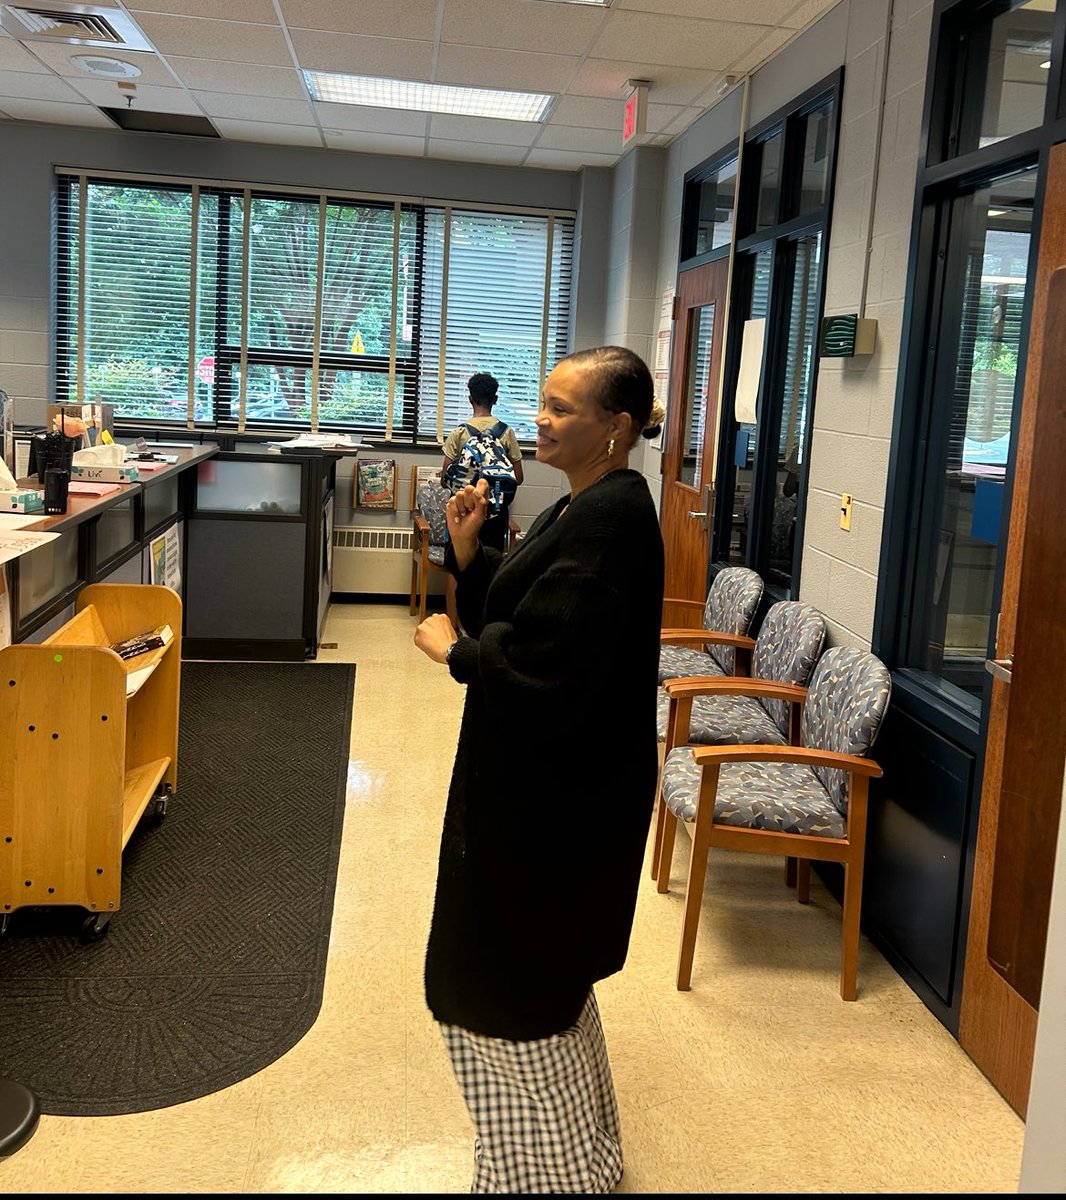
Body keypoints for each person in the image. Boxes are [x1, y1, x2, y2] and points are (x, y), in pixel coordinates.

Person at [414, 346, 666, 1194]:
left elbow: (549, 675)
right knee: (539, 979)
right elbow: (528, 604)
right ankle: (574, 1163)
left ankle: (546, 1179)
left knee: (508, 986)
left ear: (618, 427)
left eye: (563, 408)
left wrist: (456, 653)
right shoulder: (584, 506)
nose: (543, 419)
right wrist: (471, 548)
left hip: (555, 804)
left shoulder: (610, 525)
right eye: (543, 403)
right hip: (546, 792)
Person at [440, 372, 524, 553]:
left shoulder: (459, 433)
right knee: (490, 561)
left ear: (470, 399)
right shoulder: (506, 432)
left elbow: (445, 478)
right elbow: (518, 478)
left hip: (464, 509)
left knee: (458, 562)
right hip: (495, 511)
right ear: (495, 399)